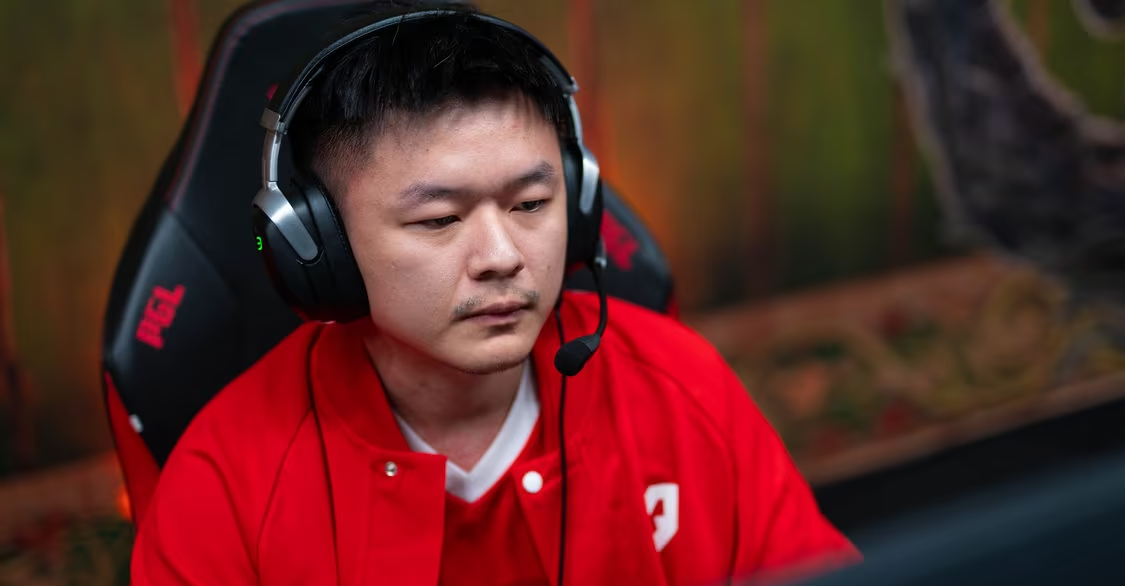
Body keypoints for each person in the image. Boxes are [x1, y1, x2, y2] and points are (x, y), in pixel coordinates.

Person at [130, 2, 860, 585]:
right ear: (318, 247)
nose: (504, 258)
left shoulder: (682, 389)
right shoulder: (223, 489)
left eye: (530, 205)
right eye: (439, 220)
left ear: (578, 203)